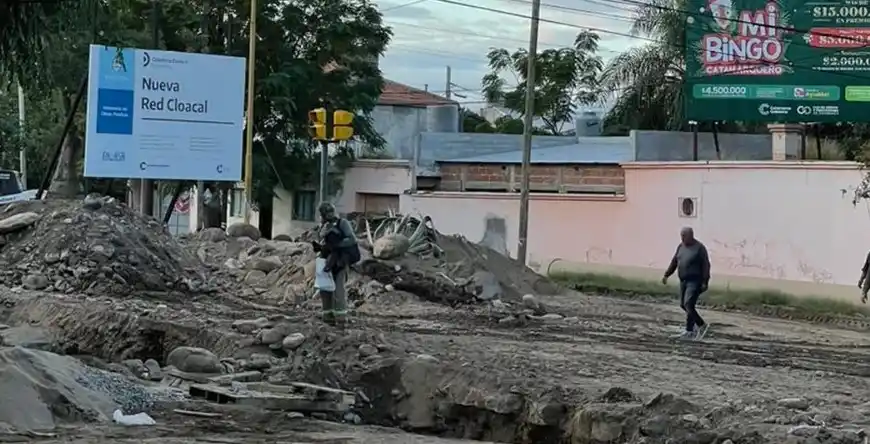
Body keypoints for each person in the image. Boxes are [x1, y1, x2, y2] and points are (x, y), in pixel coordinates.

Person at [313, 202, 359, 326]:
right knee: (325, 290)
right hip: (325, 260)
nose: (328, 215)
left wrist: (336, 244)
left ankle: (341, 319)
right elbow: (320, 239)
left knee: (339, 290)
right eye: (326, 213)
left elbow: (352, 239)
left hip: (339, 261)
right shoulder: (322, 226)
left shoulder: (342, 223)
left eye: (330, 212)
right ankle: (328, 316)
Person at [662, 227, 711, 341]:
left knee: (688, 304)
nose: (683, 238)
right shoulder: (681, 246)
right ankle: (689, 330)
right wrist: (666, 274)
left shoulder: (699, 248)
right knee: (683, 305)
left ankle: (702, 325)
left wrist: (705, 281)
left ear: (691, 235)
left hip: (695, 281)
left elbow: (706, 265)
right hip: (683, 280)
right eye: (681, 236)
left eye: (685, 236)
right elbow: (674, 261)